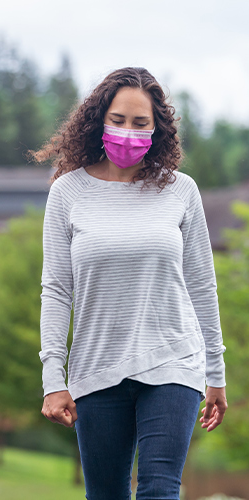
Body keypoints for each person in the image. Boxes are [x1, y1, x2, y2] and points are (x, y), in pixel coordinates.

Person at [34, 67, 228, 499]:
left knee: (160, 489)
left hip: (174, 360)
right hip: (97, 365)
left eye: (141, 123)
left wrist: (215, 372)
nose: (127, 132)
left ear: (157, 130)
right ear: (98, 120)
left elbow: (201, 285)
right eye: (118, 120)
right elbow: (56, 291)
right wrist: (54, 379)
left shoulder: (181, 191)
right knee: (105, 493)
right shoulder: (68, 192)